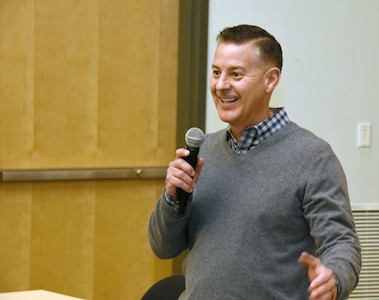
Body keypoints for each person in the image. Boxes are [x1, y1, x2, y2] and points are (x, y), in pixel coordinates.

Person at [148, 24, 361, 300]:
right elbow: (163, 247)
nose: (221, 84)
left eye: (235, 74)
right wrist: (171, 198)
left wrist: (334, 276)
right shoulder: (204, 152)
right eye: (216, 72)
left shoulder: (313, 157)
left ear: (270, 80)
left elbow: (342, 243)